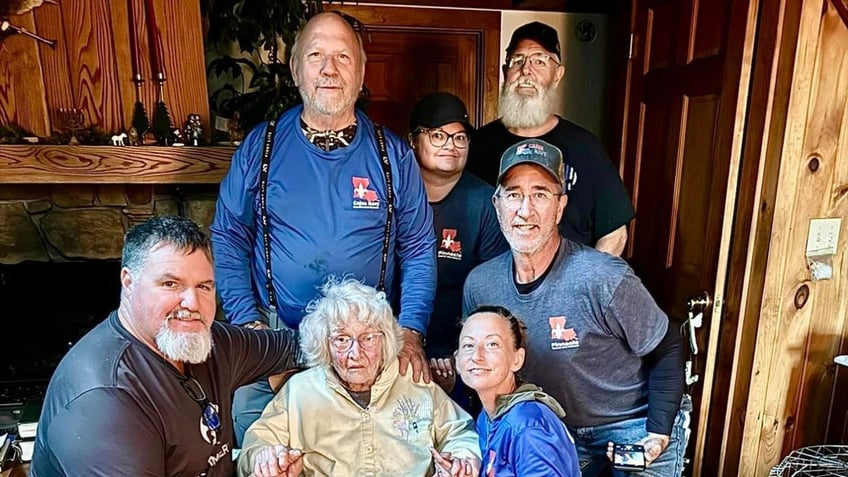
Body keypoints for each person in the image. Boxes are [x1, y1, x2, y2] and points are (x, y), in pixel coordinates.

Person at [211, 12, 436, 443]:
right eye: (316, 56)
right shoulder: (261, 147)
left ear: (361, 71)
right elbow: (227, 236)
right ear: (296, 69)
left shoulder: (392, 157)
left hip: (369, 346)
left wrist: (410, 332)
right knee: (263, 453)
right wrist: (251, 330)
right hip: (277, 342)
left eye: (342, 57)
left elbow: (420, 247)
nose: (329, 69)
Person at [463, 139, 689, 477]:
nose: (525, 210)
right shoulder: (481, 285)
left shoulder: (602, 277)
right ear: (497, 205)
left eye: (540, 194)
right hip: (555, 428)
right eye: (513, 194)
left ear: (560, 206)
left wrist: (658, 433)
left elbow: (668, 345)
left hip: (632, 425)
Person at [29, 216, 301, 477]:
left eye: (204, 287)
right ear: (128, 282)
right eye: (170, 284)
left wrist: (342, 347)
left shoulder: (211, 341)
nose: (192, 304)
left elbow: (294, 347)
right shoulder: (105, 399)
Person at [237, 278, 480, 477]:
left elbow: (459, 432)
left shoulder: (412, 380)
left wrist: (461, 458)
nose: (355, 353)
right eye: (342, 339)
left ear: (385, 340)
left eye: (368, 338)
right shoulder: (300, 390)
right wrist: (266, 458)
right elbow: (256, 444)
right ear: (325, 344)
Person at [466, 21, 635, 256]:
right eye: (518, 61)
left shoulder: (585, 147)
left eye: (539, 61)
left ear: (558, 75)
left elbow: (615, 233)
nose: (526, 71)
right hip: (494, 287)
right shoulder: (478, 145)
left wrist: (584, 285)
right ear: (506, 73)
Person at [407, 92, 508, 371]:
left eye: (460, 137)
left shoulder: (485, 202)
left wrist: (461, 352)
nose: (451, 145)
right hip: (393, 340)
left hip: (458, 348)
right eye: (438, 135)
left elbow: (491, 289)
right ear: (413, 140)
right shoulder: (394, 194)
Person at [452, 305, 581, 476]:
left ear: (517, 359)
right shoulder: (487, 416)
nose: (477, 355)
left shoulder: (527, 426)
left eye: (492, 344)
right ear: (457, 360)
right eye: (468, 345)